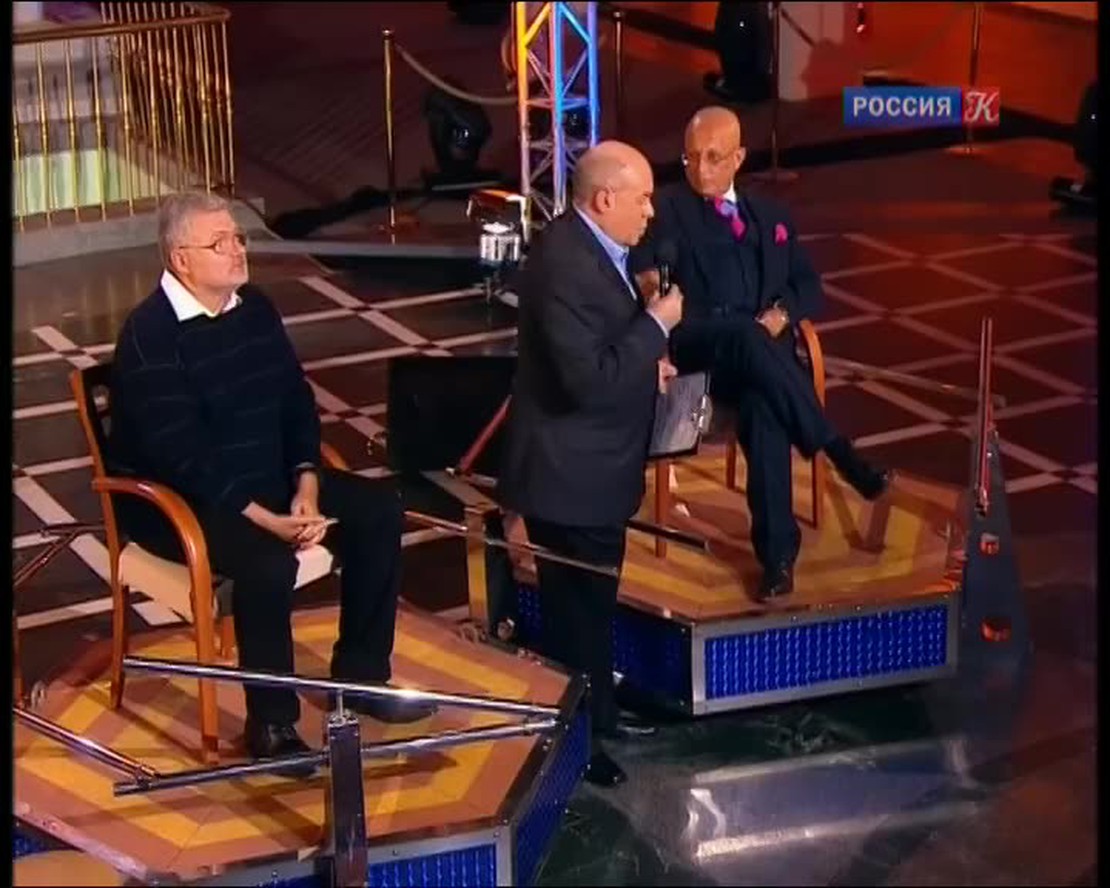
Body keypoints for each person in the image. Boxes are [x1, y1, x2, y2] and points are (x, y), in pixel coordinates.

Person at [108, 191, 435, 774]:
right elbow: (181, 456)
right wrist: (265, 518)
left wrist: (306, 483)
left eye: (238, 237)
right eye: (221, 243)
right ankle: (272, 724)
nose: (239, 250)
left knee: (378, 508)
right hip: (182, 501)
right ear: (181, 259)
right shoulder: (148, 336)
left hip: (267, 477)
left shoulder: (255, 308)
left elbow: (295, 402)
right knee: (267, 563)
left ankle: (361, 677)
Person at [630, 106, 890, 602]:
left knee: (764, 406)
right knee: (747, 337)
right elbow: (643, 269)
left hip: (761, 363)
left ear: (739, 158)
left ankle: (777, 560)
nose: (699, 169)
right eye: (690, 158)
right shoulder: (667, 210)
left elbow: (808, 286)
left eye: (712, 158)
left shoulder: (771, 216)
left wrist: (782, 314)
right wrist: (650, 288)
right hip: (699, 349)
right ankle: (840, 452)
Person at [497, 142, 684, 789]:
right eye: (642, 199)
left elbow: (604, 350)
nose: (651, 212)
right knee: (574, 619)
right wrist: (655, 327)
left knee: (595, 609)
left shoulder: (597, 248)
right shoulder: (563, 264)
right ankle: (576, 743)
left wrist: (645, 356)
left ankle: (601, 713)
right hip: (567, 477)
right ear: (605, 199)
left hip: (598, 472)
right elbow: (588, 380)